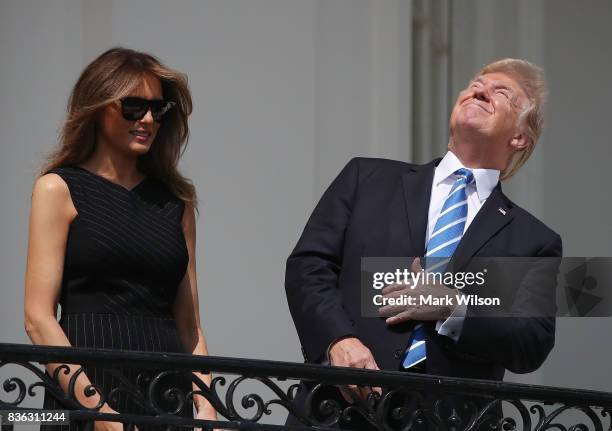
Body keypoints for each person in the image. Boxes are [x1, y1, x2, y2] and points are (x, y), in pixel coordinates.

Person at [285, 58, 562, 429]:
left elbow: (532, 341)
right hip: (337, 409)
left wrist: (453, 308)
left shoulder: (532, 240)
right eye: (475, 83)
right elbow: (308, 267)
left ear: (519, 137)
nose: (479, 90)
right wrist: (338, 341)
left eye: (502, 93)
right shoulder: (366, 179)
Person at [24, 47, 217, 431]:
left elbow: (189, 323)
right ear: (97, 107)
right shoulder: (58, 189)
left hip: (166, 393)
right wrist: (100, 413)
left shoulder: (176, 203)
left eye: (158, 110)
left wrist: (206, 405)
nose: (147, 119)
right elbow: (37, 317)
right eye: (132, 107)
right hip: (86, 391)